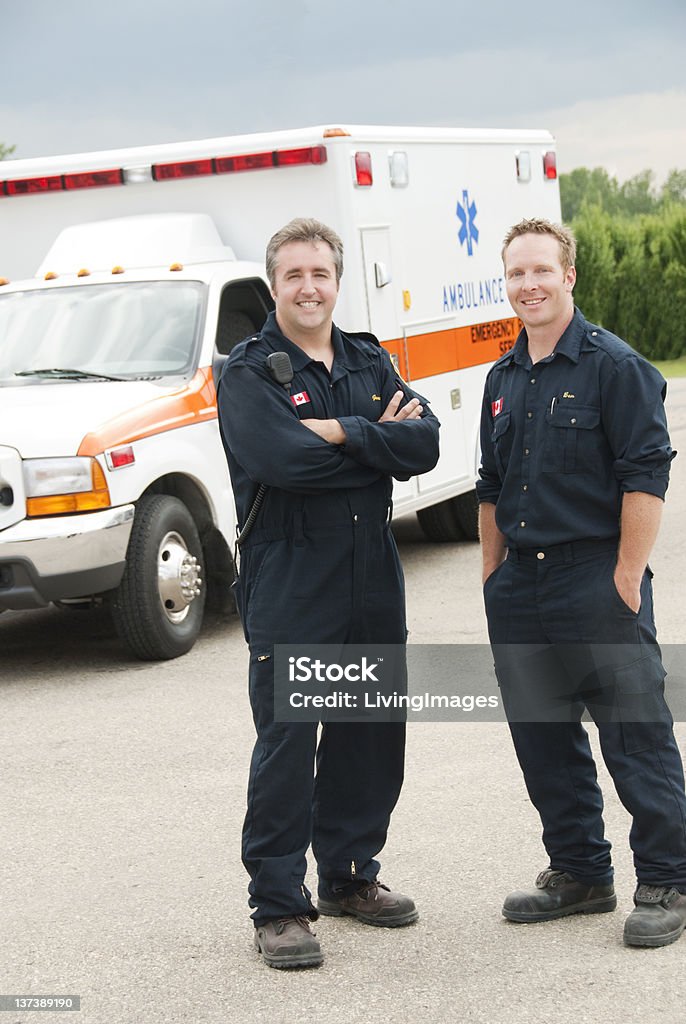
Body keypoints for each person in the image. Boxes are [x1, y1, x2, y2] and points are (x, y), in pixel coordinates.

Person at [217, 217, 439, 969]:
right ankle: (278, 906)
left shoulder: (367, 359)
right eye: (293, 276)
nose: (308, 288)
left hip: (370, 572)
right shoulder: (248, 373)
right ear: (273, 285)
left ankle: (349, 877)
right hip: (292, 574)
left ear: (337, 281)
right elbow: (283, 462)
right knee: (288, 741)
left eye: (320, 274)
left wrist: (339, 433)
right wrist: (373, 440)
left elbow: (428, 443)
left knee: (369, 730)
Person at [477, 217, 686, 948]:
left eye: (541, 270)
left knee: (635, 733)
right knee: (542, 735)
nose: (528, 285)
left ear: (569, 276)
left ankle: (666, 877)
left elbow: (645, 474)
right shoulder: (502, 378)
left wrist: (626, 576)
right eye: (515, 274)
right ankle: (580, 873)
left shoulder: (614, 366)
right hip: (520, 590)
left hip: (594, 579)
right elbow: (490, 485)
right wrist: (490, 574)